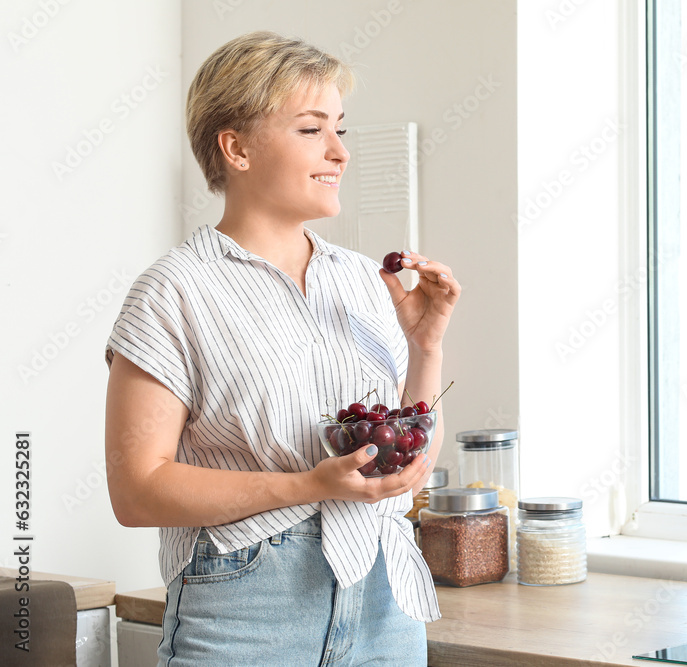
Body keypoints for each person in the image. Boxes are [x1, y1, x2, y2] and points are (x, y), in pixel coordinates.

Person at [104, 31, 459, 666]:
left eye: (341, 129)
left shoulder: (362, 280)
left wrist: (425, 346)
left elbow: (407, 451)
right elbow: (137, 490)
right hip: (246, 607)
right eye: (310, 129)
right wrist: (307, 485)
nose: (339, 152)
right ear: (235, 147)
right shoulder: (173, 290)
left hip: (385, 596)